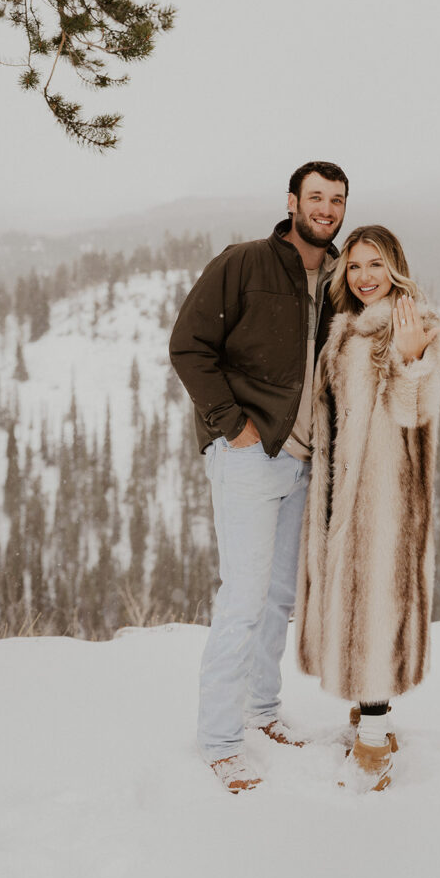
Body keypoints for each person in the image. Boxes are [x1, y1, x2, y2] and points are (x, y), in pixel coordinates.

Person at [169, 161, 349, 793]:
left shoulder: (337, 278)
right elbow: (189, 345)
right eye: (316, 197)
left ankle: (261, 710)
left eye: (337, 200)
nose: (326, 209)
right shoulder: (245, 262)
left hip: (301, 460)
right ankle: (220, 741)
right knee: (242, 600)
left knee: (278, 598)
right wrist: (229, 422)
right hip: (250, 455)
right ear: (292, 201)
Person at [295, 225, 440, 792]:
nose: (364, 277)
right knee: (351, 599)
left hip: (387, 497)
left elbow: (416, 413)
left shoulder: (416, 327)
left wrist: (410, 361)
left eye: (375, 265)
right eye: (355, 266)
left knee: (377, 603)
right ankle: (371, 719)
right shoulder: (342, 332)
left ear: (396, 268)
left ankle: (374, 737)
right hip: (341, 493)